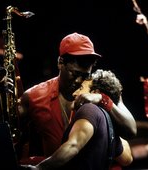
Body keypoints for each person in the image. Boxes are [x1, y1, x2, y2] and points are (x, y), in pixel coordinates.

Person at [18, 32, 136, 164]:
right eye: (74, 73)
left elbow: (131, 131)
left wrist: (102, 98)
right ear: (60, 62)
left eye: (85, 75)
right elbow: (13, 134)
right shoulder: (34, 96)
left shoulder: (102, 89)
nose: (79, 80)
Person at [20, 69, 133, 170]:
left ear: (95, 93)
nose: (75, 93)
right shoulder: (107, 121)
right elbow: (127, 160)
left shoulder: (89, 109)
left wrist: (39, 167)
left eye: (81, 88)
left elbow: (73, 146)